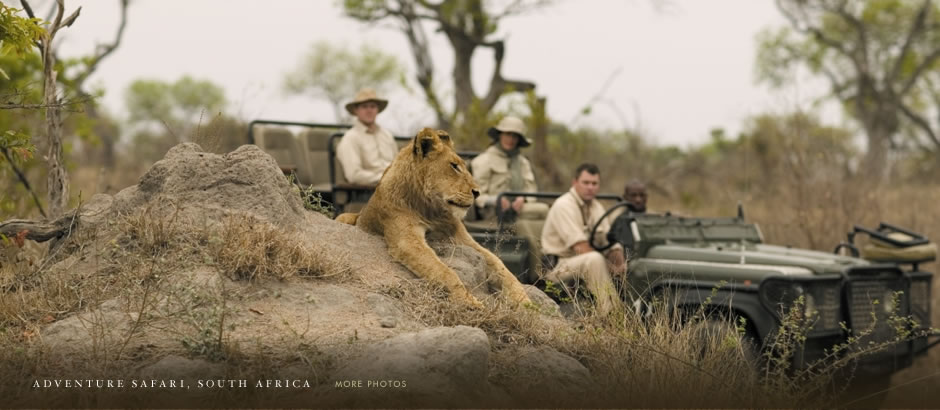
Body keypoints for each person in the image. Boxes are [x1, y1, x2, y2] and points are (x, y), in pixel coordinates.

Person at [541, 163, 627, 316]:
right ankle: (612, 314)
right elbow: (580, 247)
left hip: (581, 262)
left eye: (594, 183)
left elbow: (608, 241)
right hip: (558, 267)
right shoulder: (564, 205)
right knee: (594, 259)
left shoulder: (596, 206)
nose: (590, 187)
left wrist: (619, 261)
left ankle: (635, 309)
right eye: (586, 183)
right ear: (575, 183)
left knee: (627, 261)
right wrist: (610, 266)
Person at [470, 116, 538, 221]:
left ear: (519, 140)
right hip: (492, 212)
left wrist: (523, 199)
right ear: (500, 135)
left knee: (542, 211)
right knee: (541, 211)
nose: (510, 139)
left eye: (515, 136)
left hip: (519, 210)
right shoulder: (483, 161)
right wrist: (496, 200)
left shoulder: (523, 162)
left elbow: (531, 190)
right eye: (507, 134)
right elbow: (477, 195)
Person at [336, 88, 399, 185]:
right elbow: (354, 175)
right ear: (356, 110)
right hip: (367, 191)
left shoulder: (387, 135)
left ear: (377, 110)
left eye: (373, 106)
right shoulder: (350, 138)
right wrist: (386, 179)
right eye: (364, 107)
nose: (369, 110)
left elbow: (398, 165)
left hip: (395, 187)